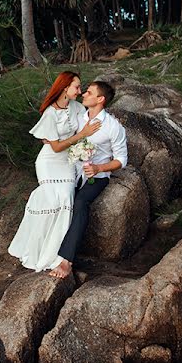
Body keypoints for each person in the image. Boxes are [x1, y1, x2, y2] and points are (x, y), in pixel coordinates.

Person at [8, 71, 102, 272]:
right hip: (49, 162)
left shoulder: (77, 107)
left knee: (67, 198)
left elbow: (88, 122)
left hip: (68, 162)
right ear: (65, 88)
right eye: (77, 87)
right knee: (50, 199)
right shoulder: (50, 113)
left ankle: (57, 255)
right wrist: (81, 135)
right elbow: (56, 147)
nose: (80, 90)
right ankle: (36, 249)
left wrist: (85, 139)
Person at [49, 81, 127, 279]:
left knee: (81, 202)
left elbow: (121, 160)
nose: (84, 93)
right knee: (59, 199)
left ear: (100, 99)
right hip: (72, 171)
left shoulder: (113, 126)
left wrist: (99, 167)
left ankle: (66, 260)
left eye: (89, 92)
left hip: (97, 177)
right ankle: (48, 251)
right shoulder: (77, 116)